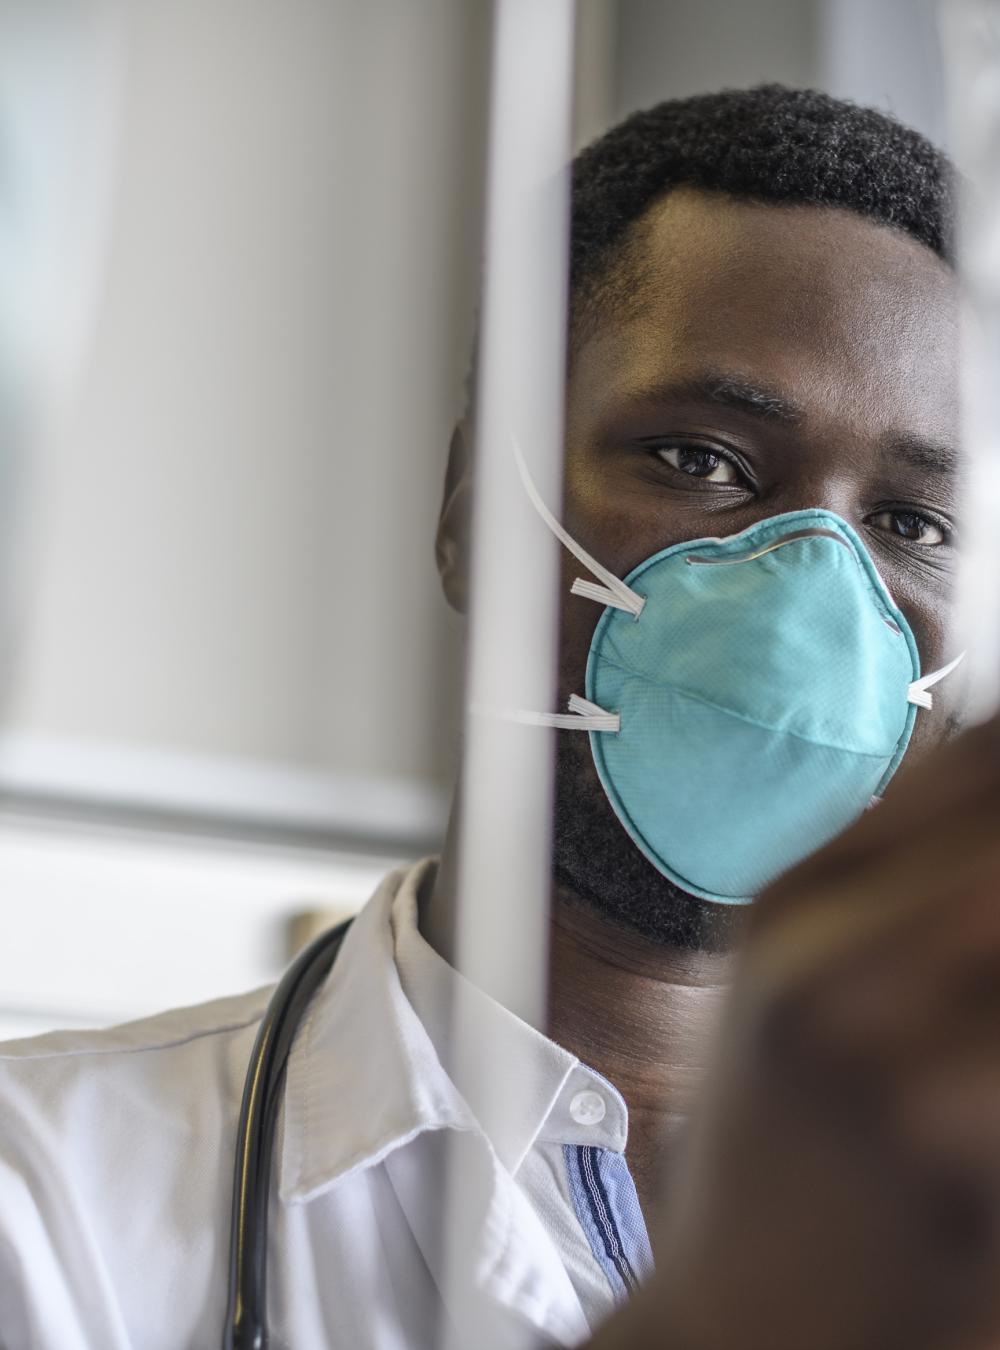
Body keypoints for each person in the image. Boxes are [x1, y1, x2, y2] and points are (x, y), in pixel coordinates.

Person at [0, 83, 983, 1348]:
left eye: (910, 524)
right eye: (700, 460)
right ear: (470, 509)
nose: (814, 597)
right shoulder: (47, 1204)